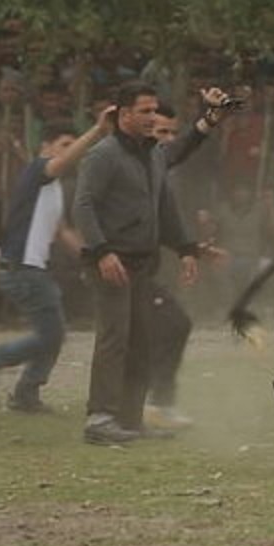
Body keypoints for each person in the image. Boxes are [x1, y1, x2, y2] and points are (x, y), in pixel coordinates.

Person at [73, 82, 201, 445]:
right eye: (144, 111)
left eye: (153, 111)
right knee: (115, 338)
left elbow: (165, 208)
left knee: (141, 340)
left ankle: (129, 420)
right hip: (112, 261)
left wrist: (186, 247)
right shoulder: (104, 154)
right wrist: (101, 251)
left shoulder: (153, 155)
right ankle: (100, 418)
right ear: (123, 114)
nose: (151, 117)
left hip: (145, 263)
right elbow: (83, 206)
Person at [0, 108, 113, 411]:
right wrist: (96, 131)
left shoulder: (51, 186)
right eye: (65, 144)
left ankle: (25, 393)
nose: (69, 153)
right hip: (22, 270)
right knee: (53, 335)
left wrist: (94, 259)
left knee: (52, 334)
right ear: (46, 147)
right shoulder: (39, 169)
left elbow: (62, 231)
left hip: (30, 271)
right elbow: (65, 162)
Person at [143, 98, 236, 429]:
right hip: (126, 264)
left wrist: (191, 250)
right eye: (160, 131)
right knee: (172, 325)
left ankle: (138, 406)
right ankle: (146, 405)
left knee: (156, 329)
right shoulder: (130, 163)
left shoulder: (160, 168)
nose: (167, 138)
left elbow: (162, 225)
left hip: (153, 261)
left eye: (171, 132)